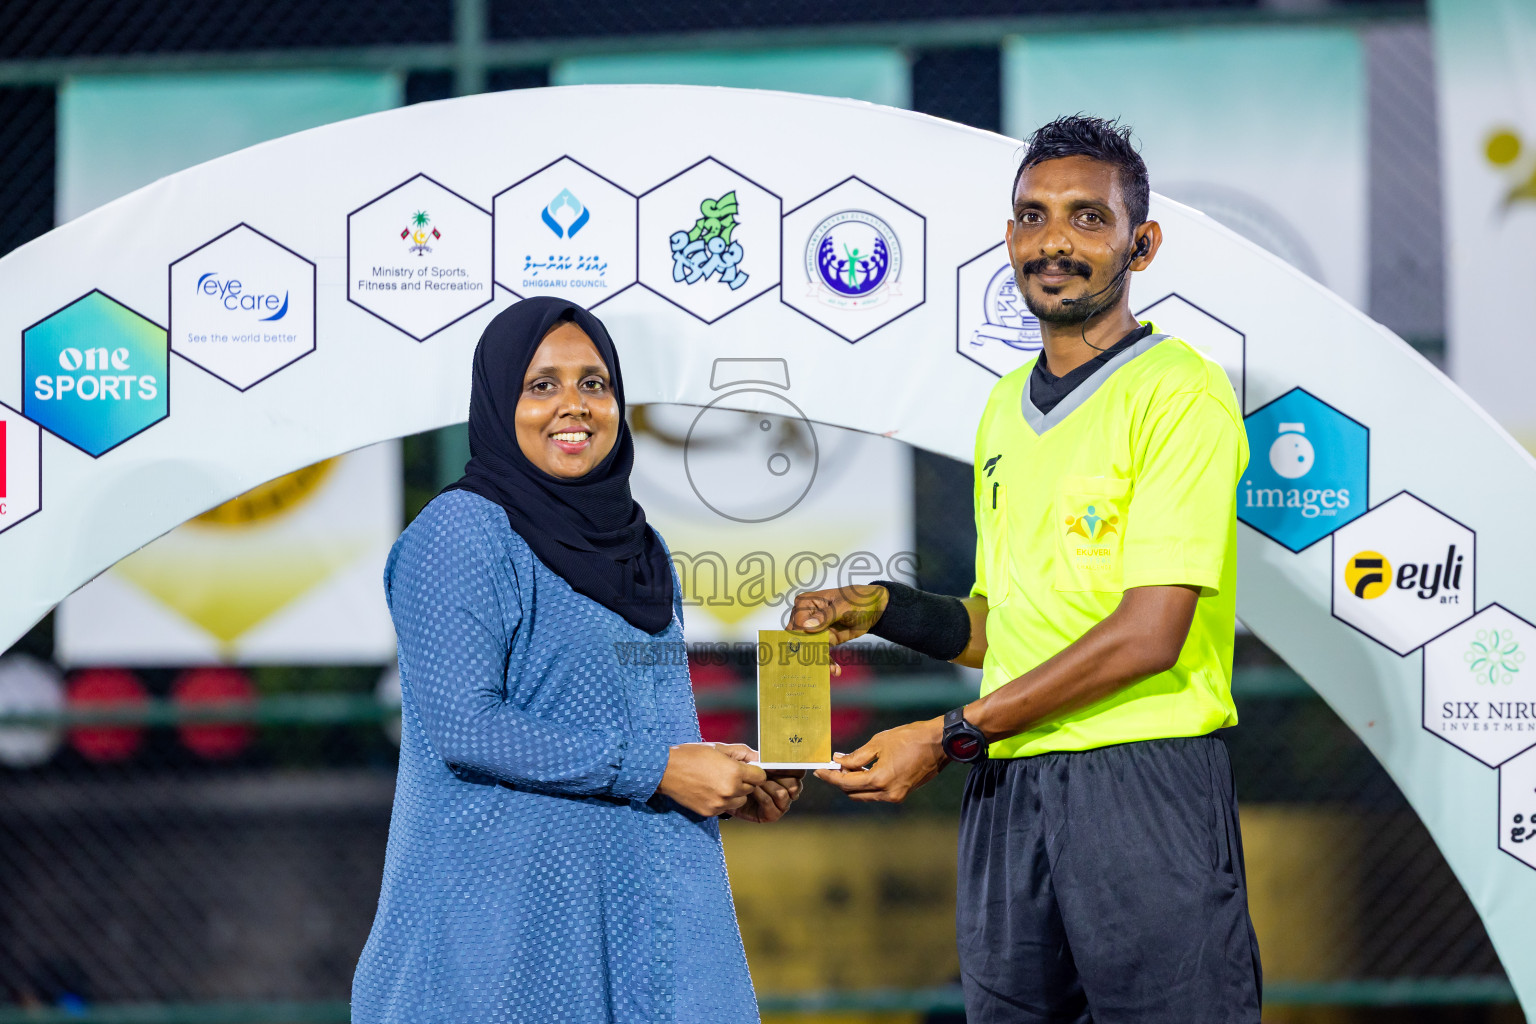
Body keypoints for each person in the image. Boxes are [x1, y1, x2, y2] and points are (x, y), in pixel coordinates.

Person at [790, 115, 1262, 1023]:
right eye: (1034, 216)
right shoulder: (1006, 407)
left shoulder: (1180, 390)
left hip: (1141, 782)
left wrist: (950, 734)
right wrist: (885, 608)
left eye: (1089, 218)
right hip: (1009, 788)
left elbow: (1149, 634)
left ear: (1142, 242)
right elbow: (1011, 626)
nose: (1055, 241)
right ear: (1010, 237)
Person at [352, 296, 802, 1024]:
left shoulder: (639, 548)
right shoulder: (461, 533)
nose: (575, 406)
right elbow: (466, 726)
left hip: (640, 913)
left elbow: (649, 727)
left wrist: (720, 775)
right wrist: (659, 770)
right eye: (542, 385)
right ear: (500, 404)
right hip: (502, 936)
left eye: (595, 383)